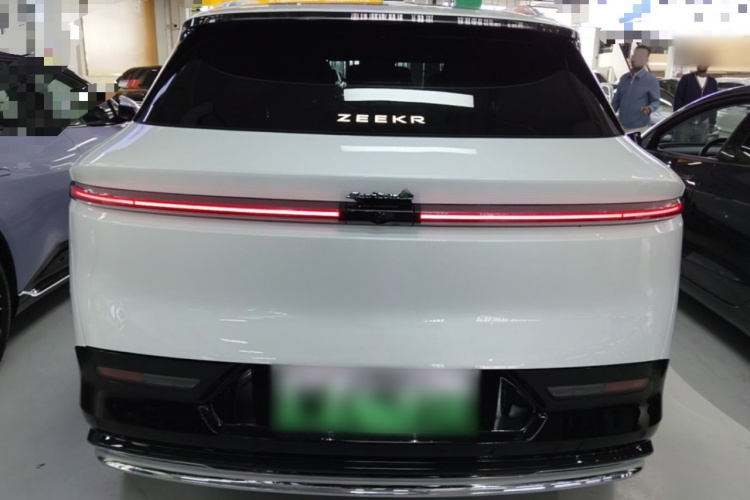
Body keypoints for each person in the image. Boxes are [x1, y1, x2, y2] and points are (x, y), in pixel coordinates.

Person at [611, 45, 661, 134]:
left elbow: (656, 102)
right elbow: (616, 101)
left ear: (646, 60)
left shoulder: (651, 80)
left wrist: (649, 109)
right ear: (632, 57)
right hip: (621, 126)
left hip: (640, 128)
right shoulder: (624, 78)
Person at [672, 64, 718, 143]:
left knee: (698, 149)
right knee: (679, 147)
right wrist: (677, 119)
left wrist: (712, 123)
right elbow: (678, 99)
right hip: (684, 123)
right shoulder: (686, 79)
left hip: (703, 124)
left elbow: (714, 103)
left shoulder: (712, 82)